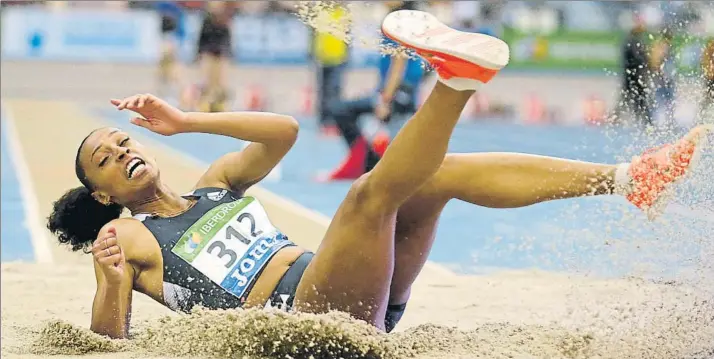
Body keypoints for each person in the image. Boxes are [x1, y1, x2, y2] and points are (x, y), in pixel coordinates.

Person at [47, 10, 709, 339]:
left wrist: (185, 120)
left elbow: (283, 132)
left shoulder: (214, 183)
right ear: (104, 194)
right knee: (370, 193)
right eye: (106, 160)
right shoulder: (136, 235)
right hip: (299, 323)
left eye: (121, 139)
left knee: (433, 177)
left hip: (352, 293)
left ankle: (626, 179)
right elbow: (110, 340)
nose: (122, 150)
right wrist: (109, 283)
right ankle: (455, 84)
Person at [322, 1, 426, 181]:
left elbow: (398, 64)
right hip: (399, 93)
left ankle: (368, 163)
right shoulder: (405, 22)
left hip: (398, 97)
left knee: (339, 109)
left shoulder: (399, 24)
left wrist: (386, 99)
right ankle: (369, 161)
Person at [613, 16, 653, 126]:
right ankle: (646, 121)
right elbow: (638, 58)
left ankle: (616, 118)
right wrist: (646, 63)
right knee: (638, 98)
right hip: (634, 75)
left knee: (629, 98)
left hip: (631, 75)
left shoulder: (631, 40)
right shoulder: (633, 41)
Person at [195, 1, 233, 112]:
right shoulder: (206, 20)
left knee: (220, 83)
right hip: (208, 54)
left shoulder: (225, 20)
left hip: (220, 55)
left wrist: (227, 54)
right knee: (206, 82)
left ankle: (220, 106)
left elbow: (227, 39)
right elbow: (201, 39)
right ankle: (204, 106)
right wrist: (199, 54)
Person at [155, 1, 187, 98]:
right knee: (165, 67)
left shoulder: (177, 10)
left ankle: (179, 92)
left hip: (172, 38)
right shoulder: (166, 7)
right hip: (168, 37)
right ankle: (167, 90)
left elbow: (181, 29)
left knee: (172, 66)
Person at [649, 29, 677, 126]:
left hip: (666, 77)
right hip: (662, 78)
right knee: (660, 99)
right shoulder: (662, 46)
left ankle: (668, 121)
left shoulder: (664, 46)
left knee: (667, 100)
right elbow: (655, 62)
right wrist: (659, 74)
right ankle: (656, 121)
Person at [699, 38, 714, 119]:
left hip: (710, 78)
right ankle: (702, 117)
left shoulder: (710, 46)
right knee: (707, 99)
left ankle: (701, 116)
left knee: (707, 100)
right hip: (711, 79)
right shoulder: (711, 47)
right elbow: (706, 62)